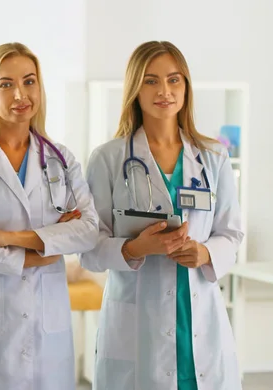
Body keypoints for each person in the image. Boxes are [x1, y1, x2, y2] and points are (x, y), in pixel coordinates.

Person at [80, 41, 244, 390]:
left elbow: (231, 233)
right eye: (151, 81)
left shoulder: (213, 157)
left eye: (174, 80)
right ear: (135, 89)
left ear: (186, 86)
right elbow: (89, 248)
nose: (164, 91)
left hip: (199, 322)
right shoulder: (107, 159)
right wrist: (136, 248)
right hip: (138, 328)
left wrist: (205, 253)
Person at [0, 42, 99, 390]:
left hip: (45, 327)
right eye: (6, 84)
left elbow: (88, 231)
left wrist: (4, 237)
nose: (20, 94)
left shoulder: (61, 159)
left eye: (29, 81)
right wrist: (44, 250)